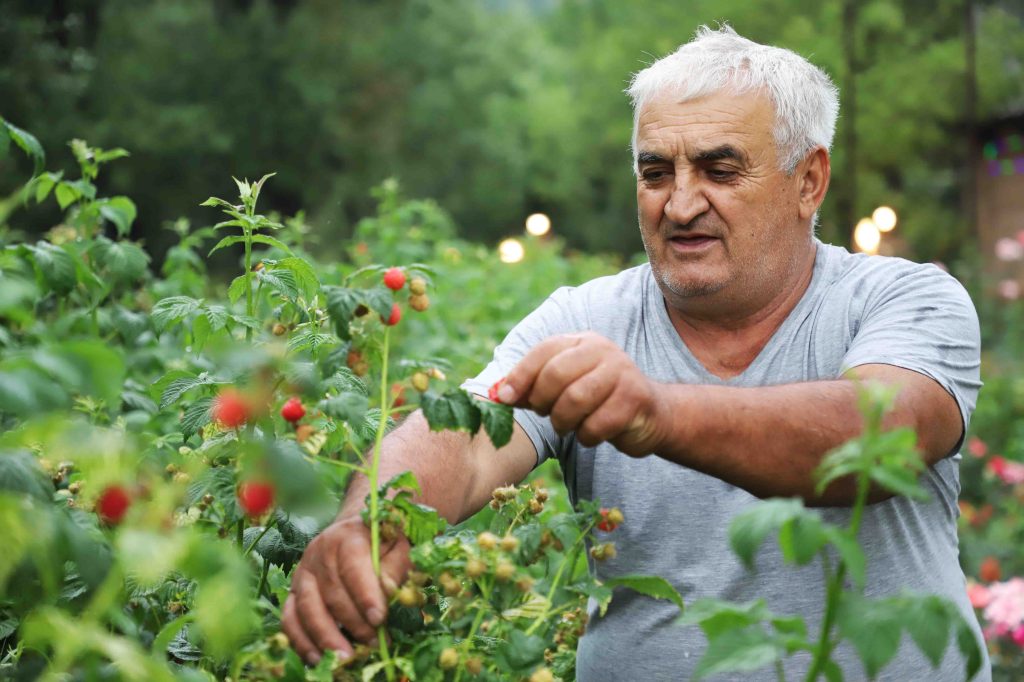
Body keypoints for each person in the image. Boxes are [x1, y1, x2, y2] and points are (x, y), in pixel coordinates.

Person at [282, 25, 991, 680]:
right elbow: (467, 438)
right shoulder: (587, 319)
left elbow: (882, 433)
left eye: (719, 170)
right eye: (655, 174)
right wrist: (370, 524)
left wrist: (658, 413)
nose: (679, 205)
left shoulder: (902, 300)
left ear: (808, 181)